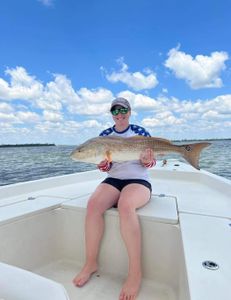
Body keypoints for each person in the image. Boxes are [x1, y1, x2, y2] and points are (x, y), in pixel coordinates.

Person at [73, 97, 156, 300]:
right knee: (93, 205)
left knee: (125, 205)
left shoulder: (140, 132)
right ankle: (91, 262)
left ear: (129, 111)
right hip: (114, 180)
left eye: (123, 110)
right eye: (115, 111)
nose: (119, 114)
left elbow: (150, 163)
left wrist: (148, 160)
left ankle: (135, 273)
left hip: (138, 180)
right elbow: (107, 167)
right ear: (111, 114)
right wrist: (103, 165)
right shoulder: (105, 136)